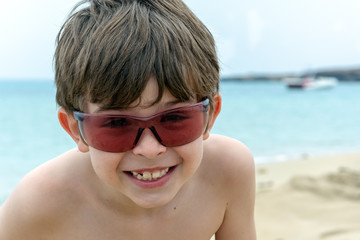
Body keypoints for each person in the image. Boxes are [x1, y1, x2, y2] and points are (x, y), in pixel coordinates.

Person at [0, 0, 256, 239]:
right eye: (116, 124)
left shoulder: (228, 171)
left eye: (175, 118)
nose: (149, 149)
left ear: (210, 115)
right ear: (74, 129)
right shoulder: (38, 203)